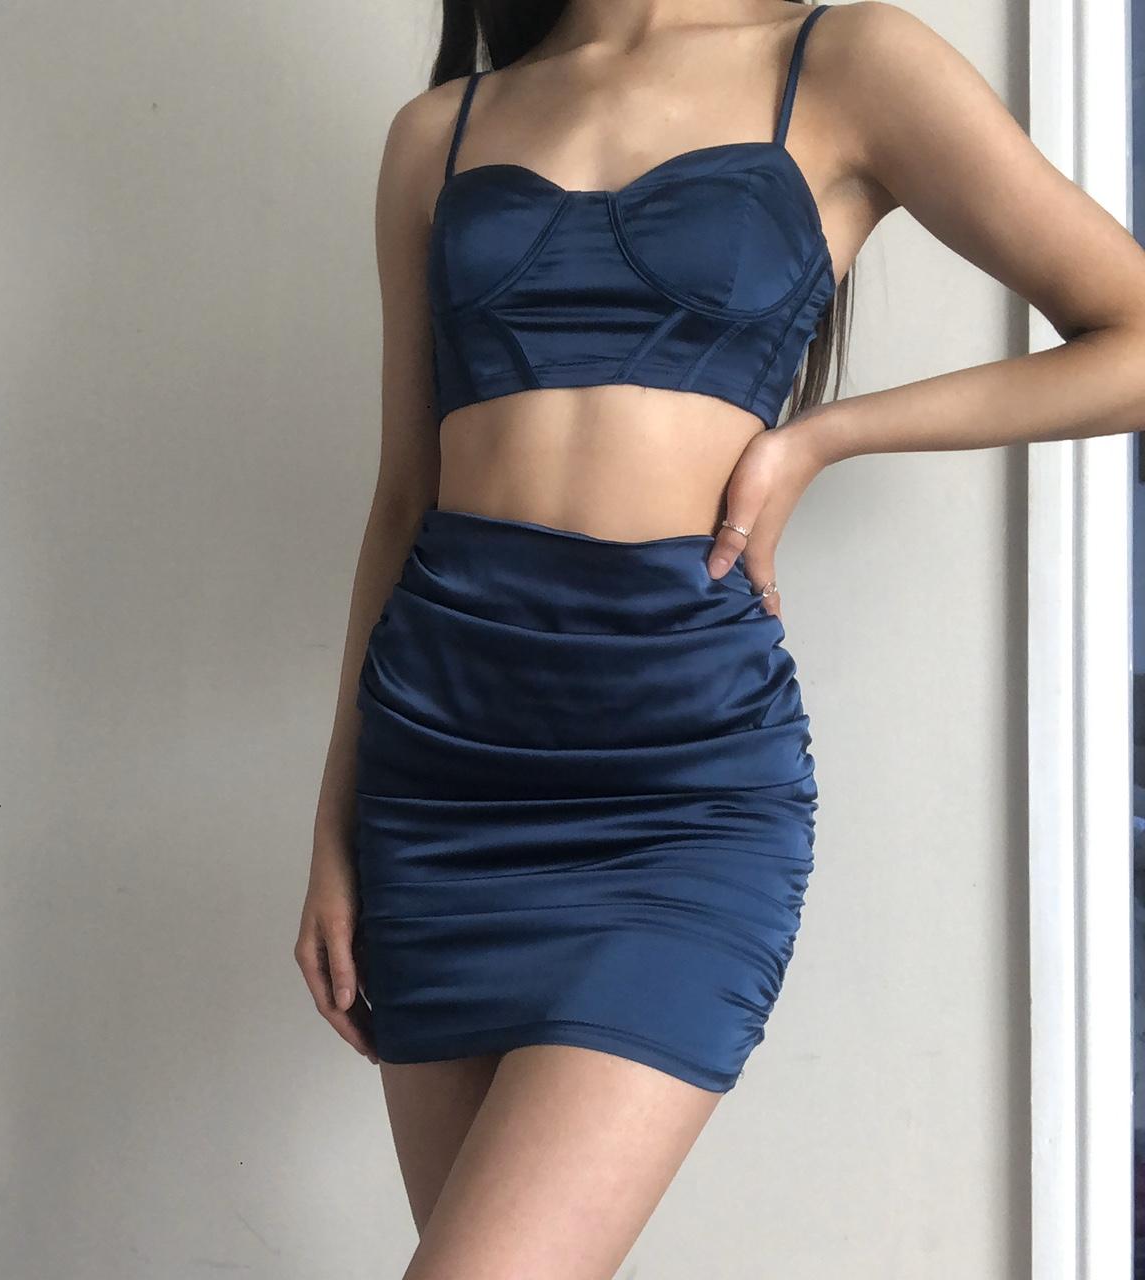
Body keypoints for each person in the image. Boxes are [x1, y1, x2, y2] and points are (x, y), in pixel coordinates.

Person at [299, 2, 1145, 1275]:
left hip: (676, 789)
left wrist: (823, 436)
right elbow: (401, 497)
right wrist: (332, 827)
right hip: (438, 778)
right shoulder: (437, 132)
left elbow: (1128, 335)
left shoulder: (848, 63)